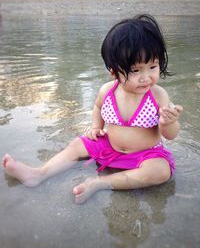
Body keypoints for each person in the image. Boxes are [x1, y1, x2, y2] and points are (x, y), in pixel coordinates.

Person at [2, 14, 183, 204]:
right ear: (113, 71)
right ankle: (38, 174)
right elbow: (98, 107)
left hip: (145, 155)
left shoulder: (158, 95)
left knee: (161, 171)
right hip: (109, 146)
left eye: (153, 66)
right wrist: (96, 127)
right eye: (135, 71)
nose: (146, 77)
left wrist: (168, 123)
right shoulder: (107, 91)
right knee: (77, 145)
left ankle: (102, 183)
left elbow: (170, 135)